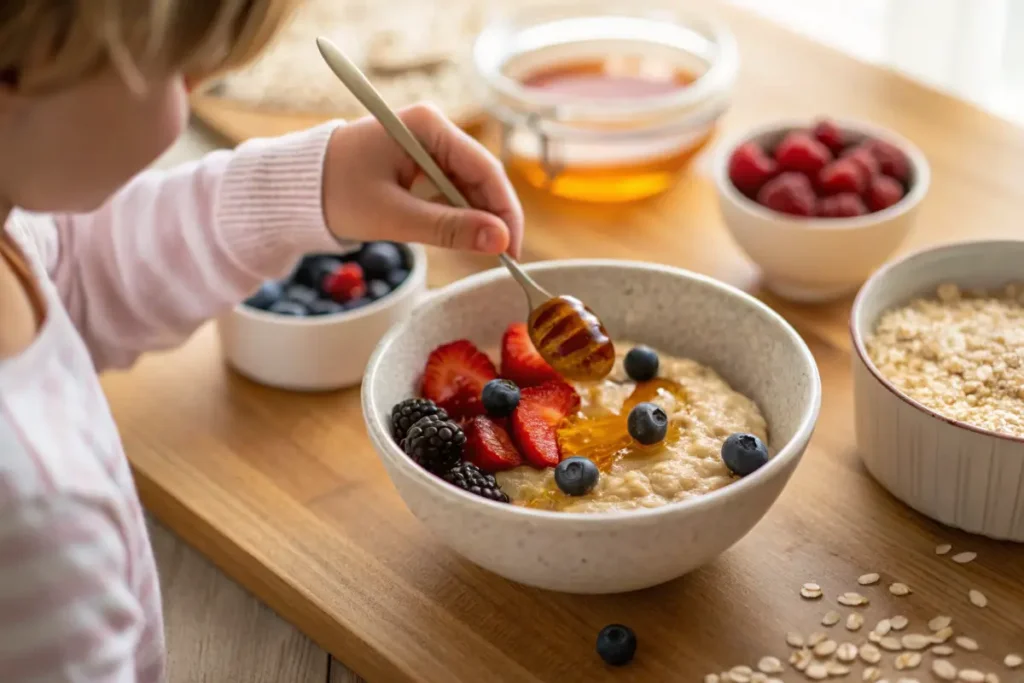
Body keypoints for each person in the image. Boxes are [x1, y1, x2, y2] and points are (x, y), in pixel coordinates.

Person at [0, 1, 524, 680]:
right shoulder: (34, 528)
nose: (199, 90)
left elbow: (75, 272)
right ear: (19, 70)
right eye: (182, 73)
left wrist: (319, 184)